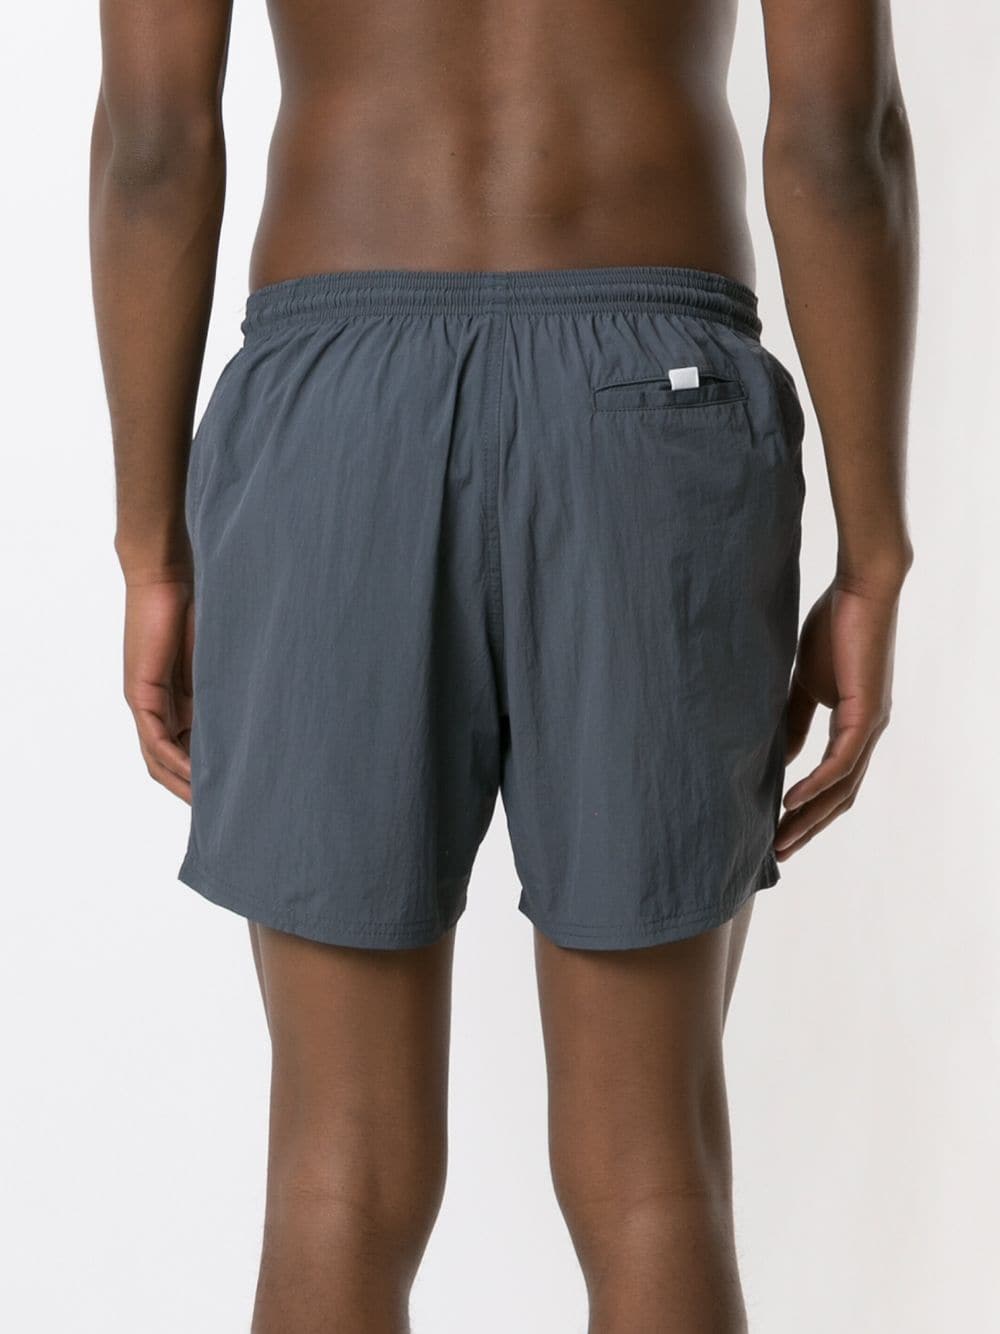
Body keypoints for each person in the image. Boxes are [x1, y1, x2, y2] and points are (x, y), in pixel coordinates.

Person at [90, 0, 916, 1328]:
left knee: (333, 1176)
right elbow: (838, 136)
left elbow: (152, 141)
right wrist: (873, 556)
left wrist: (152, 547)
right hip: (652, 404)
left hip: (335, 411)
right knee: (654, 1179)